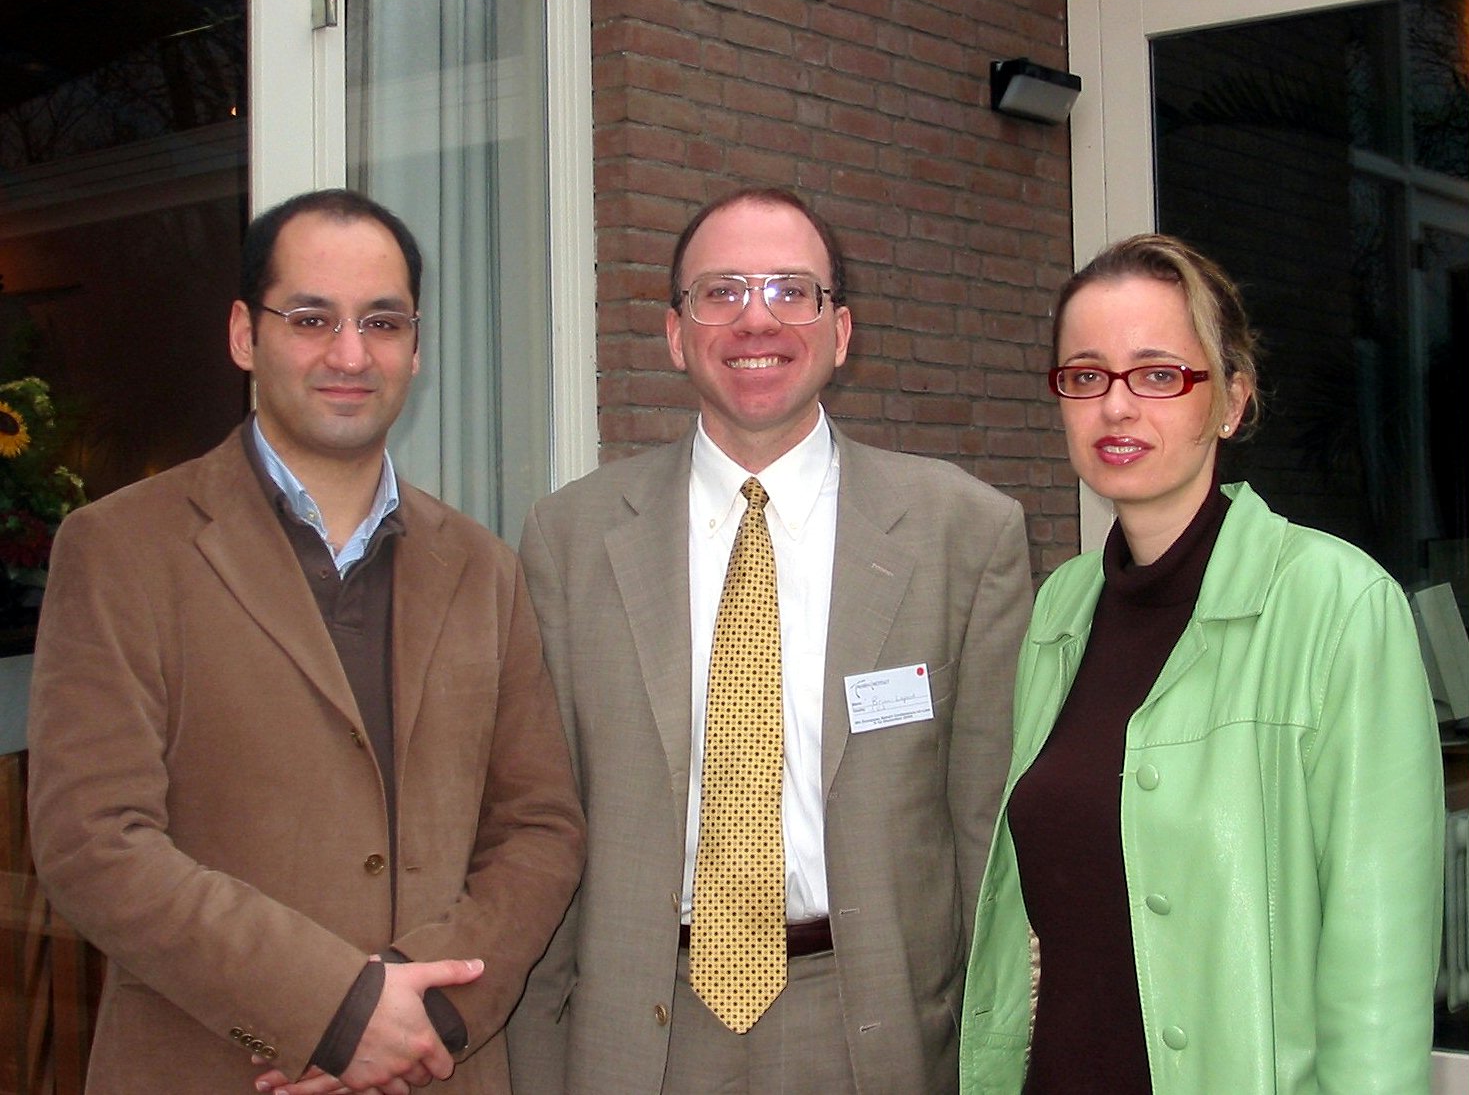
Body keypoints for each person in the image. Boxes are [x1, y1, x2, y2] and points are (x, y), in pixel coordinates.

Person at [26, 188, 585, 1095]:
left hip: (439, 1069)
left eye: (383, 321)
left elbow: (539, 829)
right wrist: (335, 1010)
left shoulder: (485, 568)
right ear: (245, 334)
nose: (350, 354)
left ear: (416, 345)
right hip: (214, 1066)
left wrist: (425, 1016)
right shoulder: (121, 547)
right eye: (312, 317)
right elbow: (94, 839)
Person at [506, 186, 1033, 1093]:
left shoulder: (964, 533)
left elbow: (990, 832)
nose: (757, 318)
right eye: (721, 292)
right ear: (676, 334)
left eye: (792, 291)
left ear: (840, 330)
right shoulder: (569, 538)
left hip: (875, 1029)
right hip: (639, 1032)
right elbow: (545, 822)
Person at [959, 233, 1445, 1093]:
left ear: (1228, 401)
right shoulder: (1060, 609)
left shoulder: (1334, 602)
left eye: (1156, 374)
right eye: (1085, 375)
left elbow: (1379, 963)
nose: (1115, 407)